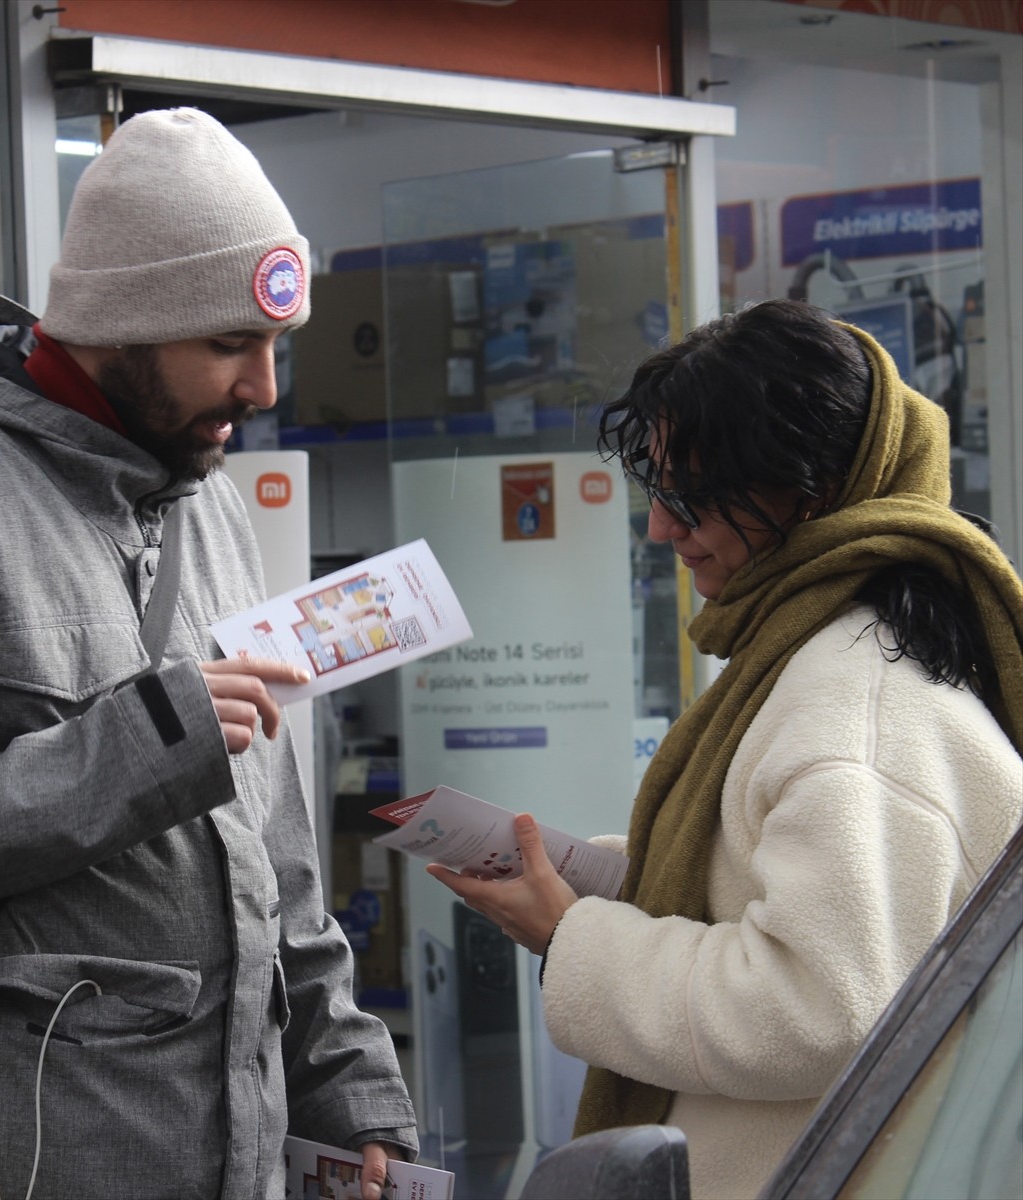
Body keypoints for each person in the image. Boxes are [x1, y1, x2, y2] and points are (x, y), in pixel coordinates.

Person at [0, 108, 416, 1200]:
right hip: (29, 1155)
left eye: (275, 343)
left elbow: (278, 868)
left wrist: (350, 1092)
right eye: (229, 344)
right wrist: (145, 745)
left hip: (235, 1153)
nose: (265, 388)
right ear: (121, 326)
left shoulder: (214, 509)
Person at [429, 299, 1023, 1199]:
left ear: (809, 489)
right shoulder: (852, 650)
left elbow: (815, 1006)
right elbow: (802, 900)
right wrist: (608, 876)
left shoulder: (850, 706)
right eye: (658, 492)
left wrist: (571, 937)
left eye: (692, 497)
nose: (663, 530)